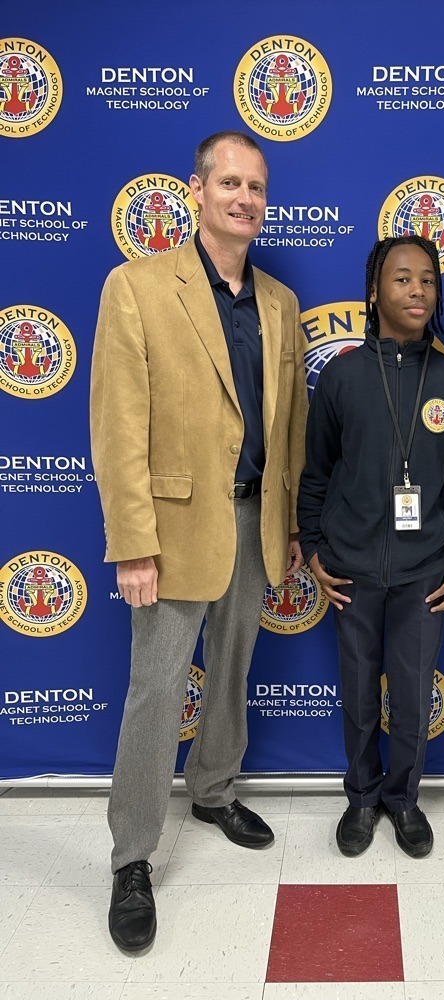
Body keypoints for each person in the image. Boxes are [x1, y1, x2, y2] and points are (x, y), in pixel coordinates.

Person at [90, 130, 308, 950]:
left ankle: (214, 790)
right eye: (229, 183)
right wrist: (132, 544)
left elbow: (288, 429)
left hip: (257, 522)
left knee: (236, 669)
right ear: (196, 190)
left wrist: (284, 526)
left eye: (256, 186)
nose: (244, 198)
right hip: (174, 527)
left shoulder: (280, 303)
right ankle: (131, 857)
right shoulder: (137, 287)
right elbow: (118, 428)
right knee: (155, 689)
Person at [297, 235, 444, 859]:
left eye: (428, 280)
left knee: (410, 695)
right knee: (358, 693)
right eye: (403, 279)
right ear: (375, 288)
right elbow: (317, 470)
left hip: (423, 572)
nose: (417, 291)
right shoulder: (344, 376)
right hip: (351, 568)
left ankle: (402, 800)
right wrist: (318, 546)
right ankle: (360, 798)